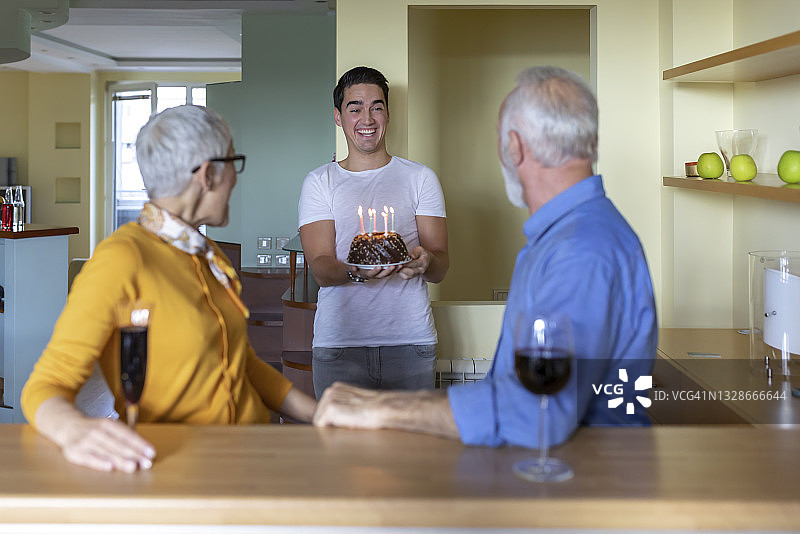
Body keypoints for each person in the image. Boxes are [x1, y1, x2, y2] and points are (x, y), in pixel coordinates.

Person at [313, 66, 657, 448]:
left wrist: (382, 410)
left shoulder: (581, 250)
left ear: (515, 146)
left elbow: (537, 411)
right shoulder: (571, 234)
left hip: (590, 479)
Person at [21, 105, 317, 472]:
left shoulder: (209, 257)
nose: (236, 180)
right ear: (208, 174)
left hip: (249, 461)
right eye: (233, 163)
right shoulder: (122, 258)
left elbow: (242, 364)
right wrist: (74, 430)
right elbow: (46, 385)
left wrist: (319, 413)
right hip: (180, 472)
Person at [298, 66, 449, 398]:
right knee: (341, 449)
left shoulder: (420, 178)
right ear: (338, 116)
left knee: (411, 448)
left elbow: (440, 267)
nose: (367, 118)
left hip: (410, 343)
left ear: (388, 114)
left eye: (376, 107)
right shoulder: (319, 182)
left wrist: (424, 262)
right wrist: (357, 272)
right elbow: (321, 268)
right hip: (339, 344)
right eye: (355, 108)